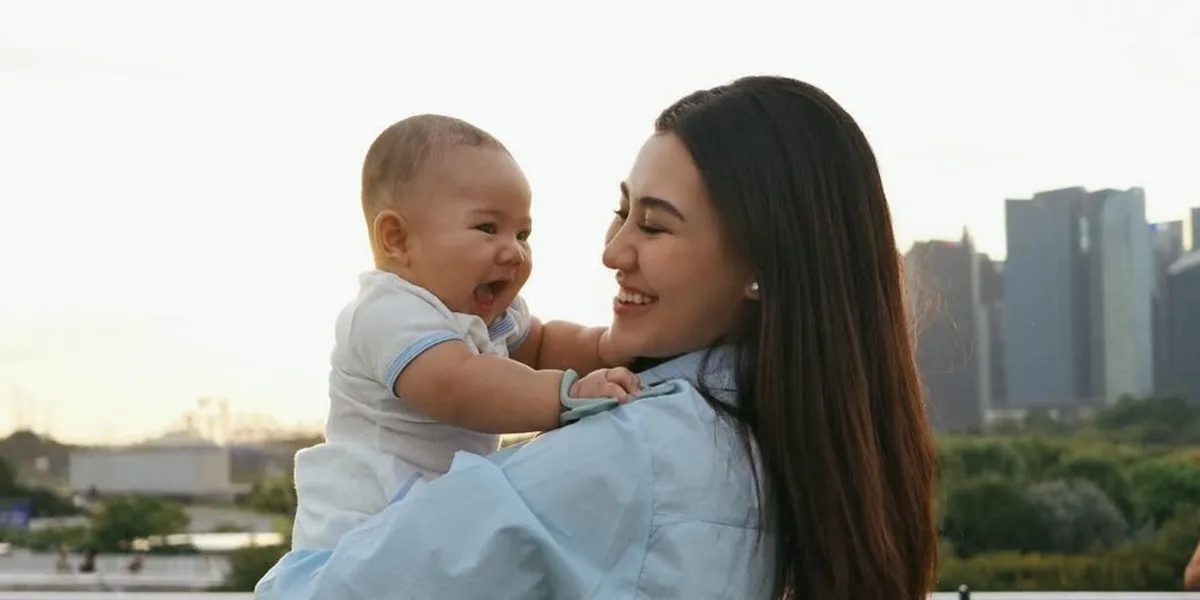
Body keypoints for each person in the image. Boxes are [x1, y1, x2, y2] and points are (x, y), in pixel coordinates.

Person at [258, 75, 938, 600]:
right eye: (622, 213)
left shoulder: (635, 449)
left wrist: (570, 394)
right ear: (395, 235)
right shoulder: (801, 447)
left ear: (761, 264)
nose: (613, 251)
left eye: (655, 224)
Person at [291, 114, 640, 550]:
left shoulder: (484, 313)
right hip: (358, 531)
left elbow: (543, 344)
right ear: (398, 239)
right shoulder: (388, 311)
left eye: (523, 233)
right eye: (488, 228)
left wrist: (612, 349)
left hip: (421, 518)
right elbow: (457, 384)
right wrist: (567, 395)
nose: (514, 252)